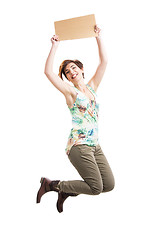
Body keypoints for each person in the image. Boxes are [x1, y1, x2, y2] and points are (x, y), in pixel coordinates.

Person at [36, 25, 115, 213]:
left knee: (109, 185)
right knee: (96, 188)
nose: (71, 72)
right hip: (79, 146)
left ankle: (65, 192)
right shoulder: (71, 92)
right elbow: (48, 73)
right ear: (68, 79)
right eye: (67, 72)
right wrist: (54, 46)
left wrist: (98, 37)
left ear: (81, 69)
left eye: (73, 68)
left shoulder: (92, 87)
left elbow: (104, 62)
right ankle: (53, 185)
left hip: (95, 145)